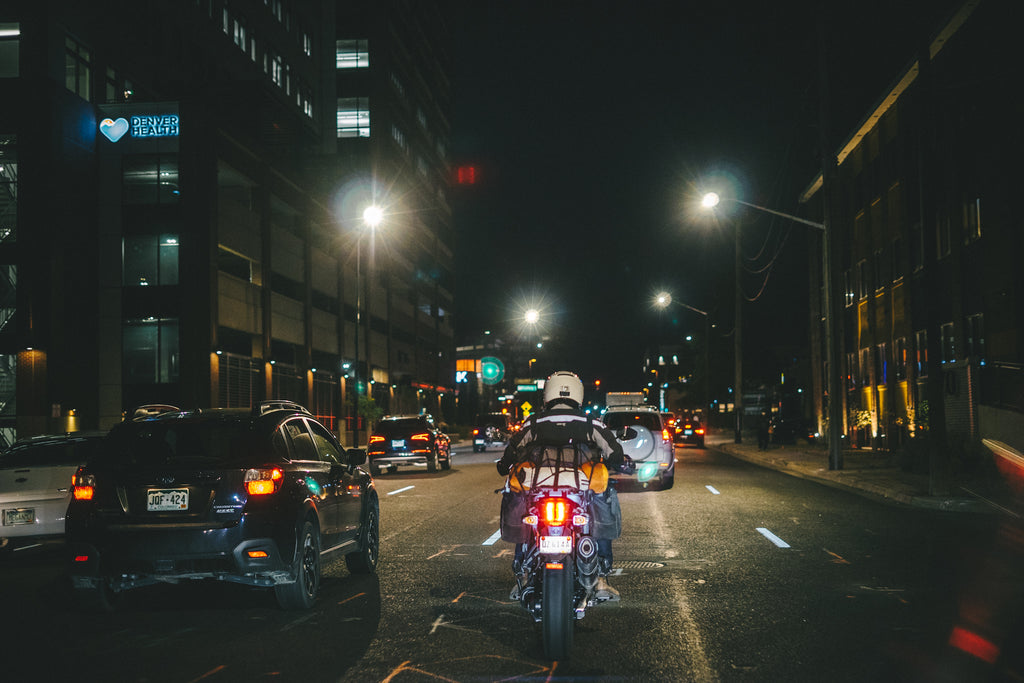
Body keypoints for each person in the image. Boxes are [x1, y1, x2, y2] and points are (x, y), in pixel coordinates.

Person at [497, 370, 632, 602]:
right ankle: (601, 576)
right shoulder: (590, 423)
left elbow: (511, 453)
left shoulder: (534, 422)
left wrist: (503, 465)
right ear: (578, 395)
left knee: (521, 504)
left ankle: (523, 573)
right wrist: (621, 463)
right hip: (578, 489)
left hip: (538, 489)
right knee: (603, 496)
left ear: (547, 395)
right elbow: (615, 453)